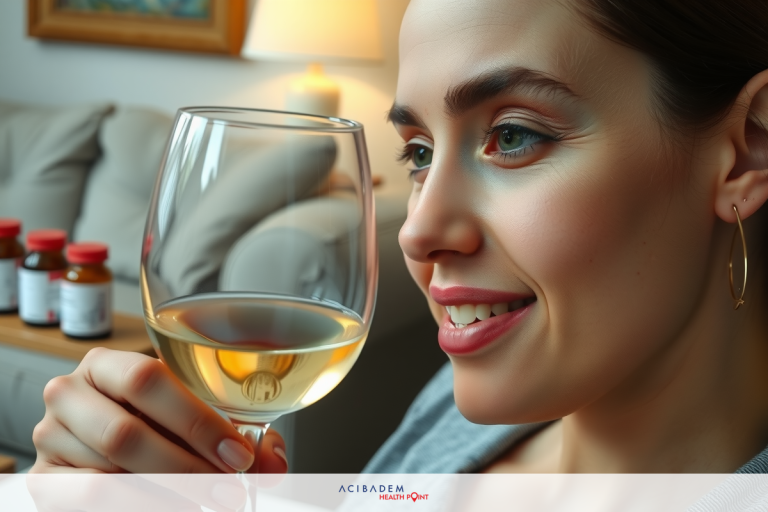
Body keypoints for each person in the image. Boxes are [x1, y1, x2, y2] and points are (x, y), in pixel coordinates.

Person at [32, 0, 768, 475]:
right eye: (417, 152)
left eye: (513, 136)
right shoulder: (446, 413)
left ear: (746, 151)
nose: (417, 231)